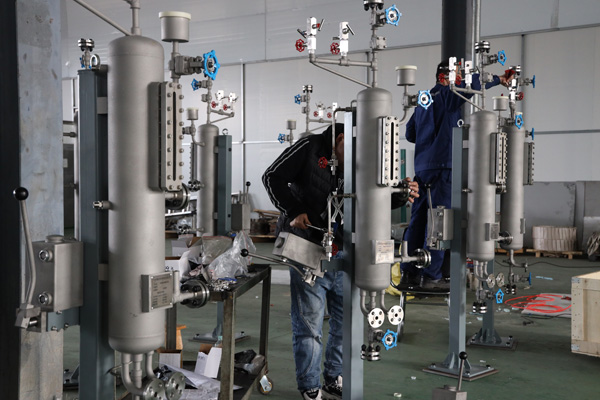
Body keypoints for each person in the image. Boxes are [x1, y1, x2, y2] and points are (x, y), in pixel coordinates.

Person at [262, 123, 417, 400]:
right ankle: (310, 386)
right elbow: (272, 176)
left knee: (346, 322)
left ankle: (334, 378)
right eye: (353, 151)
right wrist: (295, 210)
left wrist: (403, 193)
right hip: (309, 246)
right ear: (341, 139)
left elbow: (378, 197)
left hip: (347, 249)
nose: (357, 160)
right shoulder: (310, 148)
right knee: (309, 324)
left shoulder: (360, 159)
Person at [400, 60, 513, 289]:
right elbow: (475, 83)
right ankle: (432, 276)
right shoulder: (449, 95)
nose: (461, 80)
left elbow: (410, 133)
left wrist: (429, 137)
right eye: (458, 75)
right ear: (447, 77)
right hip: (444, 168)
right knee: (439, 221)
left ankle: (409, 273)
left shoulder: (423, 99)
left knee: (418, 221)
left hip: (422, 169)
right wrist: (498, 79)